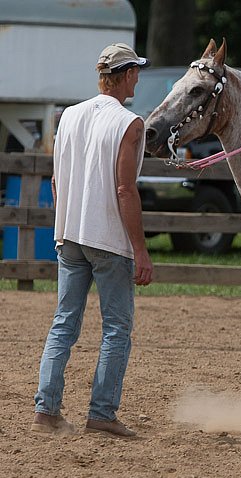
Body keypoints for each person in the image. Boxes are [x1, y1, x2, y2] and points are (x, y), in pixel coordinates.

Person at [31, 43, 154, 437]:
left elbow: (56, 180)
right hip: (107, 238)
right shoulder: (130, 123)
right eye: (136, 71)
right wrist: (140, 248)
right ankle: (102, 414)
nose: (138, 77)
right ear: (128, 75)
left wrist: (67, 220)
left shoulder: (68, 116)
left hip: (69, 234)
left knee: (64, 324)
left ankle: (45, 411)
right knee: (116, 327)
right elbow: (124, 190)